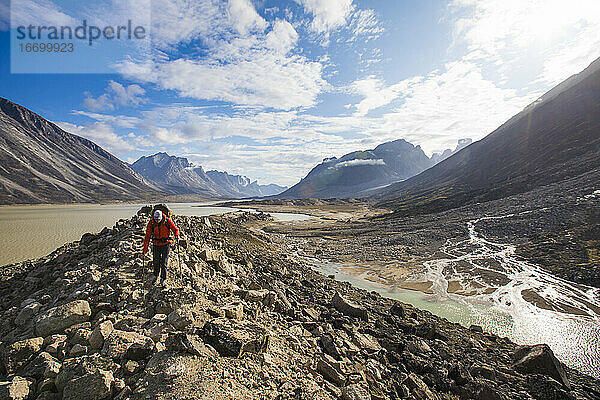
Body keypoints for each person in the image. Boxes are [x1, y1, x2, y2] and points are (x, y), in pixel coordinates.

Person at [142, 209, 180, 286]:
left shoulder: (167, 221)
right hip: (156, 244)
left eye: (158, 219)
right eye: (156, 219)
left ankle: (163, 278)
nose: (157, 221)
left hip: (166, 244)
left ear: (161, 217)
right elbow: (147, 236)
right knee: (156, 261)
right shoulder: (151, 223)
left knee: (164, 262)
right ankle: (156, 276)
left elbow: (175, 229)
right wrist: (144, 250)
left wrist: (177, 235)